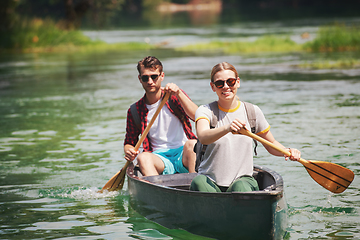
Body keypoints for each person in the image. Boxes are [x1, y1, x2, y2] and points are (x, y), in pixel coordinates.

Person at [190, 62, 301, 192]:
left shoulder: (252, 111)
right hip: (210, 182)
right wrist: (227, 128)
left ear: (238, 82)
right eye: (220, 83)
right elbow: (203, 136)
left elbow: (271, 144)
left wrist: (288, 151)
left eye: (230, 82)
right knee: (198, 182)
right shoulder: (205, 110)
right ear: (213, 87)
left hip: (243, 181)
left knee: (239, 187)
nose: (226, 87)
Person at [124, 56, 198, 176]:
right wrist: (129, 151)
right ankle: (158, 190)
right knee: (142, 157)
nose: (150, 81)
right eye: (145, 77)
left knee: (193, 144)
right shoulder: (134, 110)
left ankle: (195, 186)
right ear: (140, 79)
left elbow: (197, 116)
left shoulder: (174, 96)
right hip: (158, 158)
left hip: (183, 154)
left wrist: (179, 93)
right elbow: (129, 142)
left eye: (154, 76)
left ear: (161, 76)